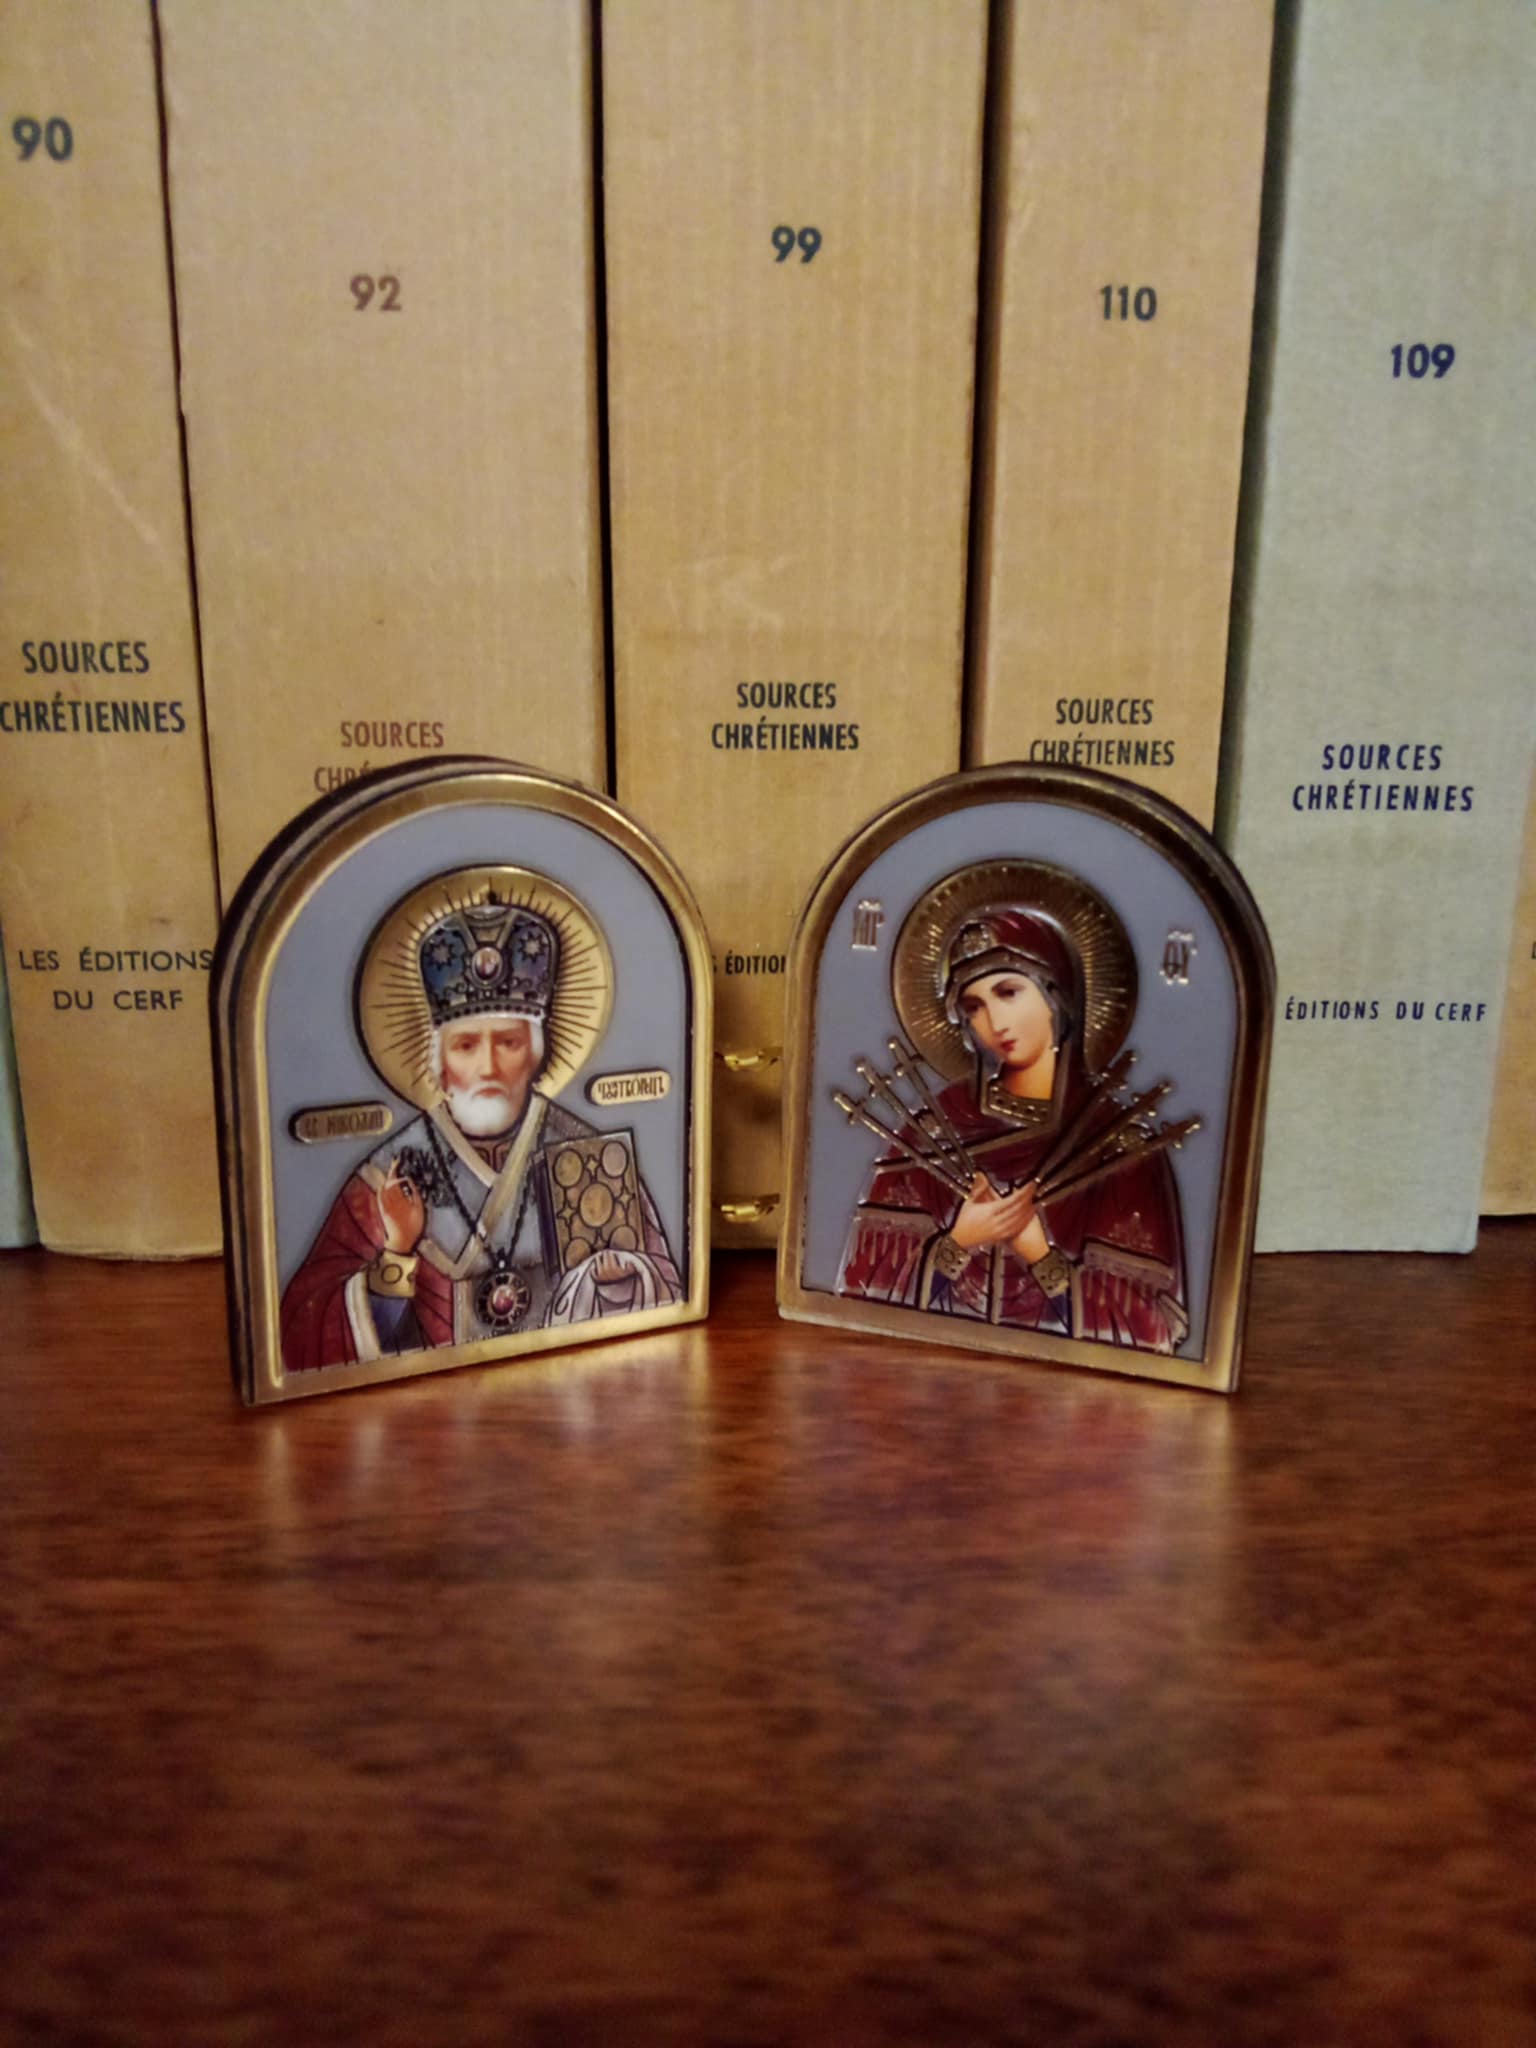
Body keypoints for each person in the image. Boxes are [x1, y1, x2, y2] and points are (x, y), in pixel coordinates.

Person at [280, 897, 679, 1371]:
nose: (488, 1066)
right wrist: (398, 1251)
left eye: (508, 1042)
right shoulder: (386, 1179)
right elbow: (306, 1332)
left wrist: (616, 1281)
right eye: (466, 1045)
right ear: (439, 1063)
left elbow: (660, 1288)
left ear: (535, 1054)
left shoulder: (590, 1157)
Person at [837, 909, 1187, 1353]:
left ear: (1057, 996)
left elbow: (1149, 1329)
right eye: (974, 1006)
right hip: (935, 1371)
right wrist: (958, 1242)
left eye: (1008, 992)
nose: (994, 1021)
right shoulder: (934, 1131)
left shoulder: (1118, 1146)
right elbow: (866, 1289)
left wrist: (1041, 1256)